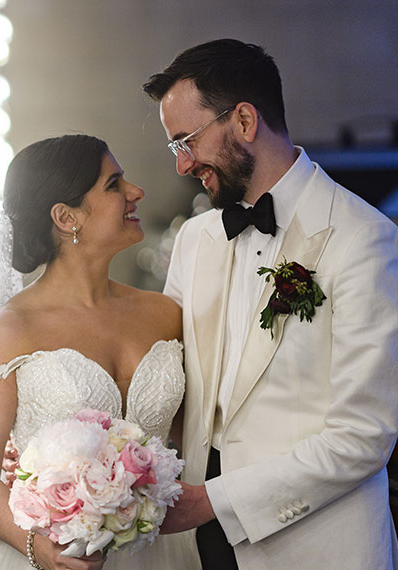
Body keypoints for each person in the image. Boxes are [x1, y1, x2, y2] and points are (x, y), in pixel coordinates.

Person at [142, 39, 398, 569]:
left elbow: (363, 436)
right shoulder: (195, 239)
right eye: (175, 148)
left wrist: (214, 500)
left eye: (185, 141)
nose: (182, 165)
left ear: (243, 120)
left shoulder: (364, 239)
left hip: (315, 545)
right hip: (198, 548)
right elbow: (167, 382)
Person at [0, 134, 201, 570]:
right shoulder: (7, 333)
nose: (136, 192)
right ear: (66, 217)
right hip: (49, 554)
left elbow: (193, 434)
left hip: (162, 551)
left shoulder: (165, 314)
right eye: (114, 184)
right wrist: (35, 547)